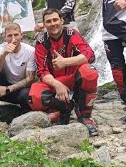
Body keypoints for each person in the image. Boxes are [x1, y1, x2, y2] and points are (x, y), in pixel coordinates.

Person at [28, 8, 99, 136]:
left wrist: (66, 62)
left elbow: (90, 55)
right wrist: (57, 85)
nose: (53, 23)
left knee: (90, 72)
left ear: (62, 21)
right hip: (55, 81)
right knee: (34, 97)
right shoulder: (41, 42)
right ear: (44, 25)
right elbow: (42, 72)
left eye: (55, 20)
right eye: (48, 21)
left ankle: (85, 115)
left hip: (73, 76)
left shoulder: (71, 33)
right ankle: (65, 108)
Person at [0, 23, 36, 133]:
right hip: (0, 90)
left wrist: (9, 88)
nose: (13, 39)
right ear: (5, 37)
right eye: (9, 36)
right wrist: (3, 55)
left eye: (16, 35)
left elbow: (30, 79)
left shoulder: (30, 51)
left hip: (18, 90)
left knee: (26, 94)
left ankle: (24, 116)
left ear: (21, 35)